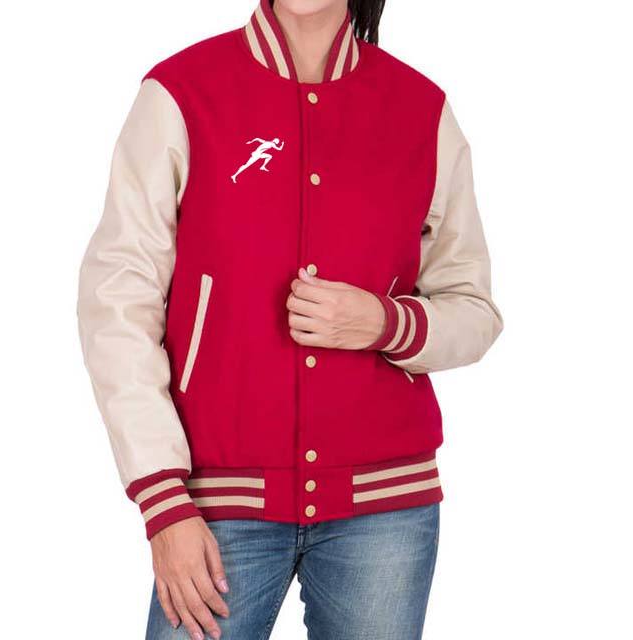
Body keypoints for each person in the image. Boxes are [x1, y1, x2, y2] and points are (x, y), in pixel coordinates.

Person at [77, 0, 504, 638]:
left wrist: (385, 323)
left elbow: (473, 307)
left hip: (384, 506)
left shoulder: (422, 110)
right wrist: (162, 499)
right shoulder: (181, 93)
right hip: (214, 499)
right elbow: (117, 302)